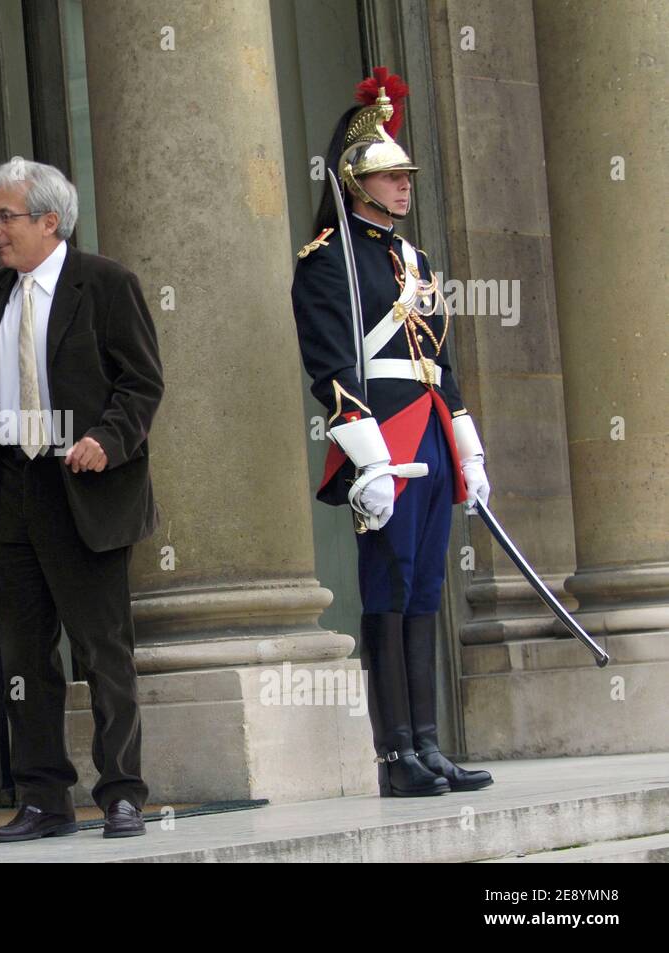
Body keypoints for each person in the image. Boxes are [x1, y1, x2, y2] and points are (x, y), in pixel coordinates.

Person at [0, 157, 164, 840]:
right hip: (12, 491)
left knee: (102, 650)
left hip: (84, 487)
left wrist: (108, 439)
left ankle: (122, 792)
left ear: (50, 220)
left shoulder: (106, 285)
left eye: (5, 216)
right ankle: (45, 797)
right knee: (24, 657)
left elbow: (141, 384)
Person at [291, 67, 493, 797]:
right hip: (385, 439)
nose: (404, 186)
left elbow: (440, 357)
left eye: (406, 175)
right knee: (389, 584)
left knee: (425, 587)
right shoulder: (327, 260)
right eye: (389, 176)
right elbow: (333, 365)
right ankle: (394, 755)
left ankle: (429, 744)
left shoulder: (415, 260)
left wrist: (466, 442)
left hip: (431, 431)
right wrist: (368, 457)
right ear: (355, 180)